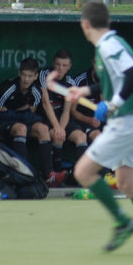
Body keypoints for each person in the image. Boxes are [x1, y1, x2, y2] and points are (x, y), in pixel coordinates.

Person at [64, 1, 133, 253]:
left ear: (85, 25)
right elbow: (115, 82)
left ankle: (122, 221)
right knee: (127, 182)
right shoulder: (111, 44)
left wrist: (113, 104)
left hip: (126, 121)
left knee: (83, 172)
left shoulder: (108, 45)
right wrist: (84, 90)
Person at [0, 57, 56, 185]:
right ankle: (24, 173)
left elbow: (31, 112)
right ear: (19, 73)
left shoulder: (36, 92)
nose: (26, 79)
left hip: (21, 123)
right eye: (24, 75)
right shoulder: (8, 88)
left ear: (36, 76)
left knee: (43, 129)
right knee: (21, 128)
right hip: (0, 122)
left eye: (30, 76)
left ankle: (49, 175)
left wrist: (12, 111)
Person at [39, 50, 84, 184]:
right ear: (53, 63)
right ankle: (54, 175)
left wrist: (62, 128)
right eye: (58, 64)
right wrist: (57, 127)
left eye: (64, 65)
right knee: (55, 135)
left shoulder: (71, 82)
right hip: (46, 117)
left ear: (69, 66)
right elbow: (46, 104)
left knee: (81, 137)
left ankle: (82, 177)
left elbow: (66, 111)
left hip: (62, 118)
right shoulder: (43, 75)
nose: (60, 68)